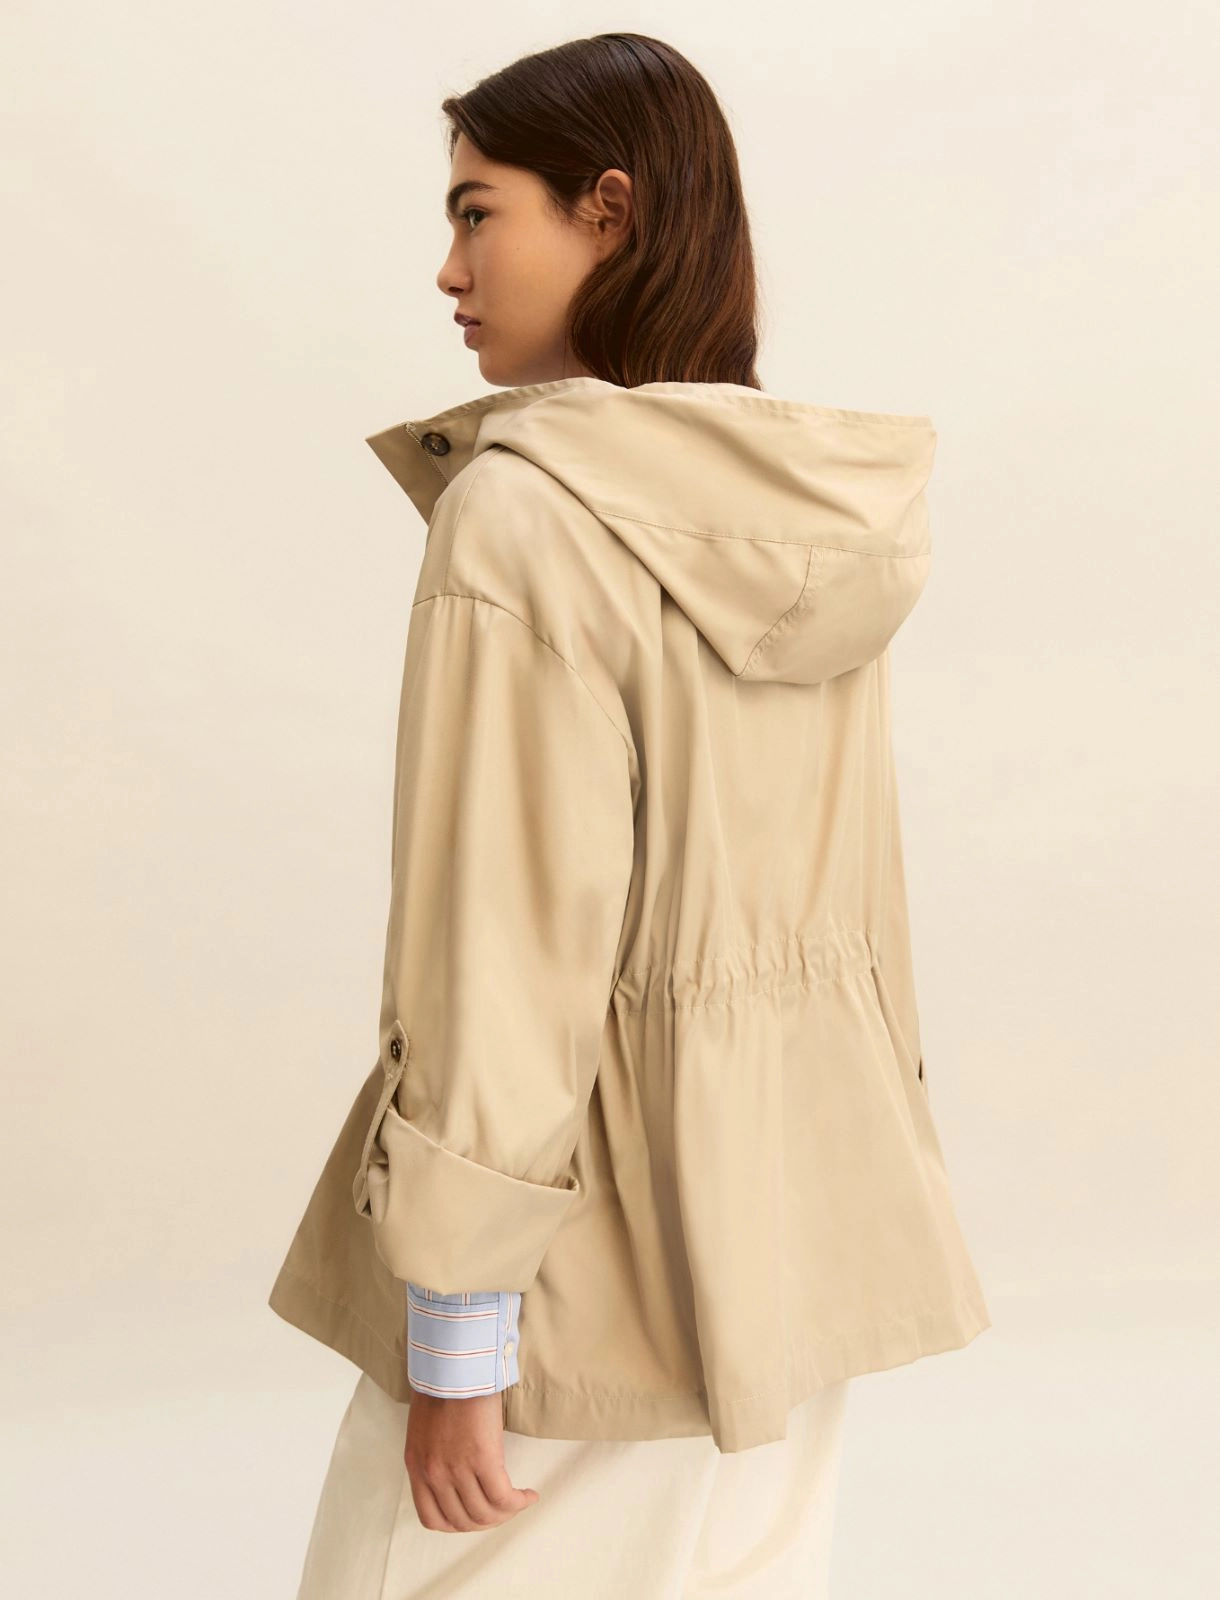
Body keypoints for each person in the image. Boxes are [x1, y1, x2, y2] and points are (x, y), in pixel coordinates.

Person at [269, 30, 991, 1599]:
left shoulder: (524, 514)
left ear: (608, 210)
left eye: (478, 212)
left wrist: (458, 1335)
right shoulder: (799, 513)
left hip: (579, 1280)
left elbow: (506, 946)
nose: (448, 270)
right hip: (792, 1249)